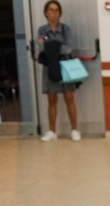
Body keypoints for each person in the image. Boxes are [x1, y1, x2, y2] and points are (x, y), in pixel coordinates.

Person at [36, 0, 80, 141]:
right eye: (51, 10)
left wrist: (51, 47)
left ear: (59, 13)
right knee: (52, 99)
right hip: (50, 67)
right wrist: (55, 47)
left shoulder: (66, 29)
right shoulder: (42, 30)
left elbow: (68, 48)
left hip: (65, 65)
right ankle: (51, 131)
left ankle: (74, 130)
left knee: (69, 98)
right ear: (46, 13)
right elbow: (40, 47)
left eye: (56, 10)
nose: (54, 13)